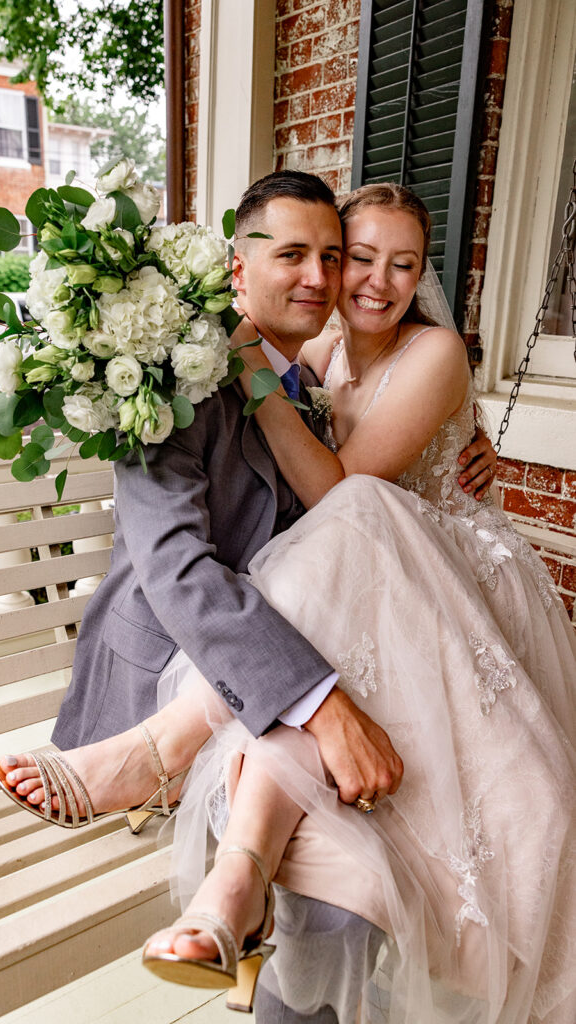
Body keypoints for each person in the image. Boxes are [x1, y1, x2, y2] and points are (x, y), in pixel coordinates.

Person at [0, 172, 497, 1021]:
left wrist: (457, 445)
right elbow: (179, 572)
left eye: (331, 257)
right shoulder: (167, 382)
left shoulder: (310, 369)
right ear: (236, 265)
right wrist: (321, 704)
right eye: (295, 252)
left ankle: (237, 896)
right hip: (191, 675)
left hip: (311, 670)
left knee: (350, 880)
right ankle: (192, 816)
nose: (325, 275)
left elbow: (358, 492)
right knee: (340, 878)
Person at [140, 183, 576, 1024]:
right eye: (357, 258)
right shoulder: (323, 358)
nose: (376, 282)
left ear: (423, 276)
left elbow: (344, 493)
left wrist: (257, 378)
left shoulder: (436, 349)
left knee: (357, 518)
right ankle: (245, 891)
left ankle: (173, 750)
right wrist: (262, 368)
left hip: (451, 591)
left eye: (402, 264)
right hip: (364, 605)